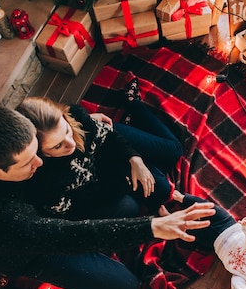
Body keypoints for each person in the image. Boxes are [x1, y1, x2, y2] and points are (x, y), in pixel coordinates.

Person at [0, 104, 215, 289]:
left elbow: (49, 120)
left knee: (127, 207)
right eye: (28, 162)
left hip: (54, 211)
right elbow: (65, 235)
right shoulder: (0, 219)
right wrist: (153, 227)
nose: (40, 163)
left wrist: (78, 122)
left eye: (38, 151)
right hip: (35, 249)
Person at [15, 80, 183, 220]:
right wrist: (120, 184)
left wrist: (135, 158)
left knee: (173, 151)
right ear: (39, 152)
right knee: (132, 205)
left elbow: (109, 137)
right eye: (57, 145)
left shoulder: (75, 117)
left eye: (67, 130)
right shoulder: (43, 180)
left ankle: (132, 103)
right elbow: (76, 207)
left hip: (105, 154)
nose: (71, 143)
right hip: (99, 183)